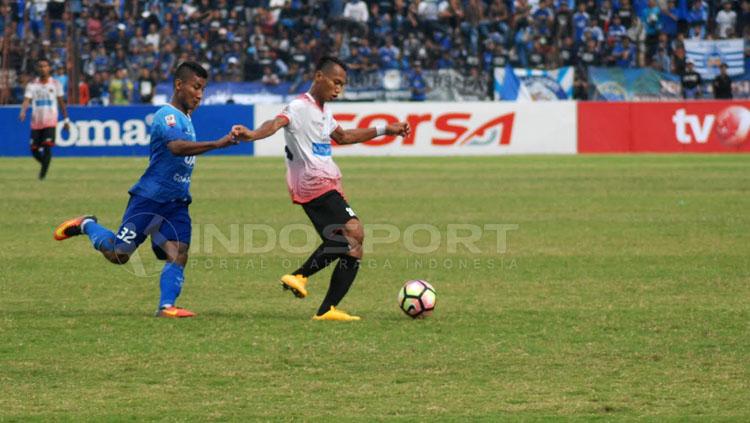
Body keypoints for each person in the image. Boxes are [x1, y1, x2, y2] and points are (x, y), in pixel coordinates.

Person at [53, 62, 241, 318]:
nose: (200, 94)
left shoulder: (186, 118)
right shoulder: (168, 116)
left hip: (176, 203)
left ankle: (166, 307)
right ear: (179, 85)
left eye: (203, 89)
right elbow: (176, 147)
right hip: (149, 200)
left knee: (178, 252)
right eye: (196, 87)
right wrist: (218, 144)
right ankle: (86, 224)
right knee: (119, 255)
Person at [231, 56, 410, 321]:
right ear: (318, 77)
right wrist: (252, 135)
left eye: (343, 85)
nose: (338, 89)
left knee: (352, 245)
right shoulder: (300, 106)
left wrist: (386, 129)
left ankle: (327, 310)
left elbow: (344, 137)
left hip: (327, 184)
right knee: (354, 230)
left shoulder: (324, 111)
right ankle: (299, 276)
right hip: (314, 184)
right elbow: (276, 123)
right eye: (335, 82)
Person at [18, 58, 70, 180]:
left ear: (49, 68)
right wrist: (23, 111)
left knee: (47, 146)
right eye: (40, 66)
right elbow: (27, 100)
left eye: (45, 66)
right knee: (34, 150)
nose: (43, 68)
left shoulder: (56, 84)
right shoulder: (32, 85)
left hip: (50, 120)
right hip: (36, 121)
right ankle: (45, 164)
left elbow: (61, 102)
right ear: (37, 68)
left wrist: (66, 120)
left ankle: (42, 176)